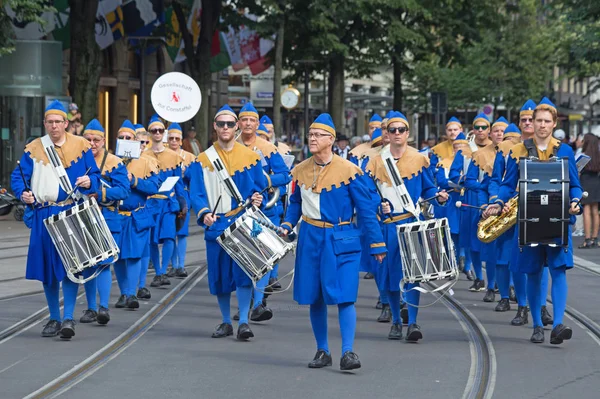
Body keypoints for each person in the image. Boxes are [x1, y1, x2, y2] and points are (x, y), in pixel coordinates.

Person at [281, 113, 387, 370]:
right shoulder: (300, 170)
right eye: (310, 135)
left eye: (318, 135)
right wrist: (286, 223)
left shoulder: (350, 171)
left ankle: (348, 352)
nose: (312, 139)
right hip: (310, 236)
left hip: (341, 238)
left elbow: (365, 210)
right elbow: (295, 203)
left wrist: (377, 243)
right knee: (314, 296)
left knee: (345, 296)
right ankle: (323, 351)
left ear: (331, 139)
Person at [486, 97, 582, 344]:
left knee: (559, 271)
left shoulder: (565, 150)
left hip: (557, 219)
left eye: (546, 121)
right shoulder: (517, 150)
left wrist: (575, 202)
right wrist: (497, 202)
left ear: (553, 124)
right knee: (533, 272)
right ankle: (537, 325)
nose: (541, 125)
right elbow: (507, 185)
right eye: (537, 120)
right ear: (532, 123)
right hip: (527, 219)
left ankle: (558, 324)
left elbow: (574, 185)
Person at [10, 100, 100, 339]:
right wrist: (23, 193)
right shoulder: (34, 148)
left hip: (71, 212)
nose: (53, 126)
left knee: (72, 266)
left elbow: (96, 176)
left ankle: (68, 317)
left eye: (58, 122)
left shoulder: (82, 145)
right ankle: (54, 317)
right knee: (48, 270)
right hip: (43, 213)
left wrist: (90, 182)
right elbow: (18, 178)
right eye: (49, 122)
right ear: (44, 124)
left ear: (66, 123)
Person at [367, 111, 448, 342]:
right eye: (392, 130)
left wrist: (439, 197)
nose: (396, 134)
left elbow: (428, 189)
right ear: (387, 134)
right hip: (389, 227)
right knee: (391, 277)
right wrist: (377, 206)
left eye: (401, 130)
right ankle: (395, 319)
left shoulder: (420, 159)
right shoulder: (375, 162)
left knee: (413, 276)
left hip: (411, 222)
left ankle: (412, 321)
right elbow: (368, 194)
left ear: (408, 133)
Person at [189, 104, 267, 340]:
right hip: (217, 223)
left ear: (237, 127)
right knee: (220, 276)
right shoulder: (201, 160)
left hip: (242, 221)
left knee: (244, 272)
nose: (225, 127)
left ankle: (243, 321)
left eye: (230, 124)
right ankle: (225, 321)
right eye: (221, 123)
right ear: (214, 126)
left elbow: (258, 187)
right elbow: (196, 193)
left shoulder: (252, 157)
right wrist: (204, 213)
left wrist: (257, 197)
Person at [237, 103, 291, 321]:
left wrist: (266, 181)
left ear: (257, 124)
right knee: (244, 258)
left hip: (265, 210)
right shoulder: (231, 146)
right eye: (244, 120)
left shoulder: (268, 148)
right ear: (239, 123)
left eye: (252, 120)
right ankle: (246, 304)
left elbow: (285, 175)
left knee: (264, 256)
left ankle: (258, 303)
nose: (248, 124)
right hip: (238, 210)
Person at [79, 119, 130, 323]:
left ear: (104, 140)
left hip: (108, 216)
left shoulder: (115, 162)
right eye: (88, 139)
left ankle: (103, 308)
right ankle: (91, 308)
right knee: (87, 265)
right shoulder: (76, 159)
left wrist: (100, 193)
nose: (92, 143)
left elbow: (123, 190)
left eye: (96, 140)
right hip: (83, 217)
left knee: (103, 263)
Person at [111, 120, 159, 307]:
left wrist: (135, 181)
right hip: (116, 214)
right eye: (121, 138)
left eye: (128, 138)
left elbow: (154, 186)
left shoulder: (147, 162)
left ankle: (131, 293)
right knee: (118, 256)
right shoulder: (110, 161)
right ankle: (124, 293)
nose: (124, 140)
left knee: (134, 255)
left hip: (137, 215)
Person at [464, 116, 507, 303]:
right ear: (491, 133)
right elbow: (471, 180)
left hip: (508, 208)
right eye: (496, 131)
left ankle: (509, 287)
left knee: (509, 251)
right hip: (487, 207)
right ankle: (490, 285)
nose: (499, 134)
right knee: (488, 249)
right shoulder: (479, 155)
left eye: (503, 131)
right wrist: (484, 201)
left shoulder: (514, 153)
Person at [143, 115, 185, 289]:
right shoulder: (143, 155)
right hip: (151, 204)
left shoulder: (173, 156)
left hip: (168, 203)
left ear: (164, 133)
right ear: (150, 133)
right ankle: (159, 273)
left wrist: (183, 203)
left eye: (160, 130)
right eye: (154, 130)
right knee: (153, 240)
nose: (158, 133)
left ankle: (161, 271)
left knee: (169, 236)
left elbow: (179, 183)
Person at [487, 123, 521, 313]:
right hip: (507, 206)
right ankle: (504, 297)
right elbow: (496, 179)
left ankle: (524, 299)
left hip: (527, 206)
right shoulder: (503, 151)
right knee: (502, 255)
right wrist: (496, 200)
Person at [166, 122, 196, 278]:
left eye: (177, 138)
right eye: (171, 138)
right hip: (168, 198)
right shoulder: (163, 155)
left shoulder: (189, 157)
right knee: (171, 232)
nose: (174, 141)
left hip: (183, 196)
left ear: (181, 140)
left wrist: (186, 171)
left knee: (182, 233)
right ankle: (173, 265)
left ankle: (181, 265)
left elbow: (196, 178)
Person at [577, 133, 600, 248]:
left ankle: (587, 239)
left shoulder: (584, 157)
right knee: (595, 211)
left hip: (585, 182)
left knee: (586, 210)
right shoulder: (598, 156)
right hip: (596, 182)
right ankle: (595, 238)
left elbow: (577, 171)